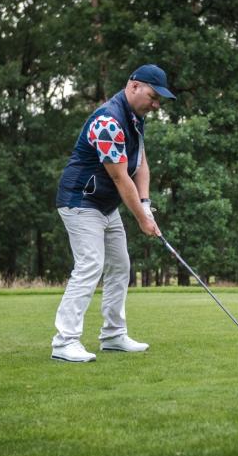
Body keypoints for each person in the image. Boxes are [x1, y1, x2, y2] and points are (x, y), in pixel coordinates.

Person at [51, 64, 176, 363]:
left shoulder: (136, 119)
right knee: (90, 265)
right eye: (153, 96)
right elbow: (121, 178)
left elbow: (140, 164)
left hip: (105, 204)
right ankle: (64, 342)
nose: (156, 105)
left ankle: (113, 335)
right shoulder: (108, 121)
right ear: (134, 86)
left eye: (159, 100)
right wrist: (142, 219)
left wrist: (146, 204)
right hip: (81, 201)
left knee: (120, 266)